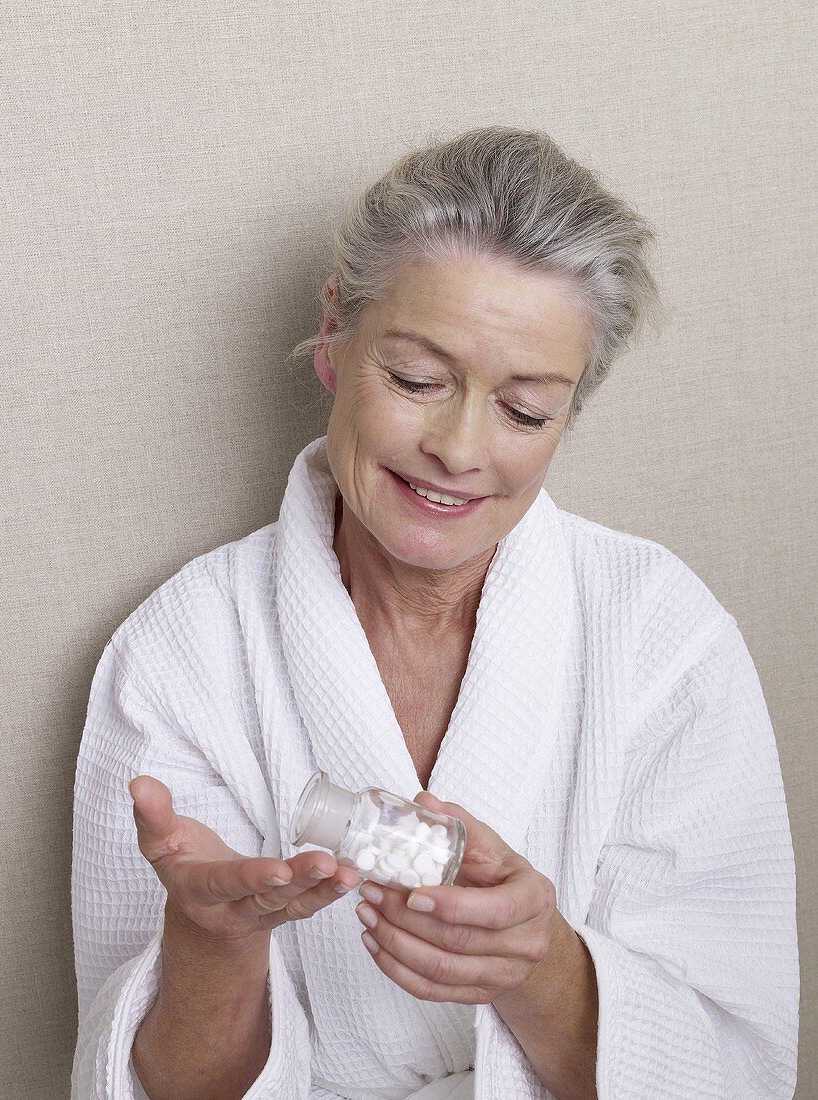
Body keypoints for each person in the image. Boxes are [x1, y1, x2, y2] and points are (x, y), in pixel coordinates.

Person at [70, 125, 799, 1100]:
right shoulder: (180, 651)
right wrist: (211, 944)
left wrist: (536, 964)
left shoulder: (661, 636)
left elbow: (735, 1064)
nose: (459, 447)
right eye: (416, 379)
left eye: (524, 409)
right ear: (335, 335)